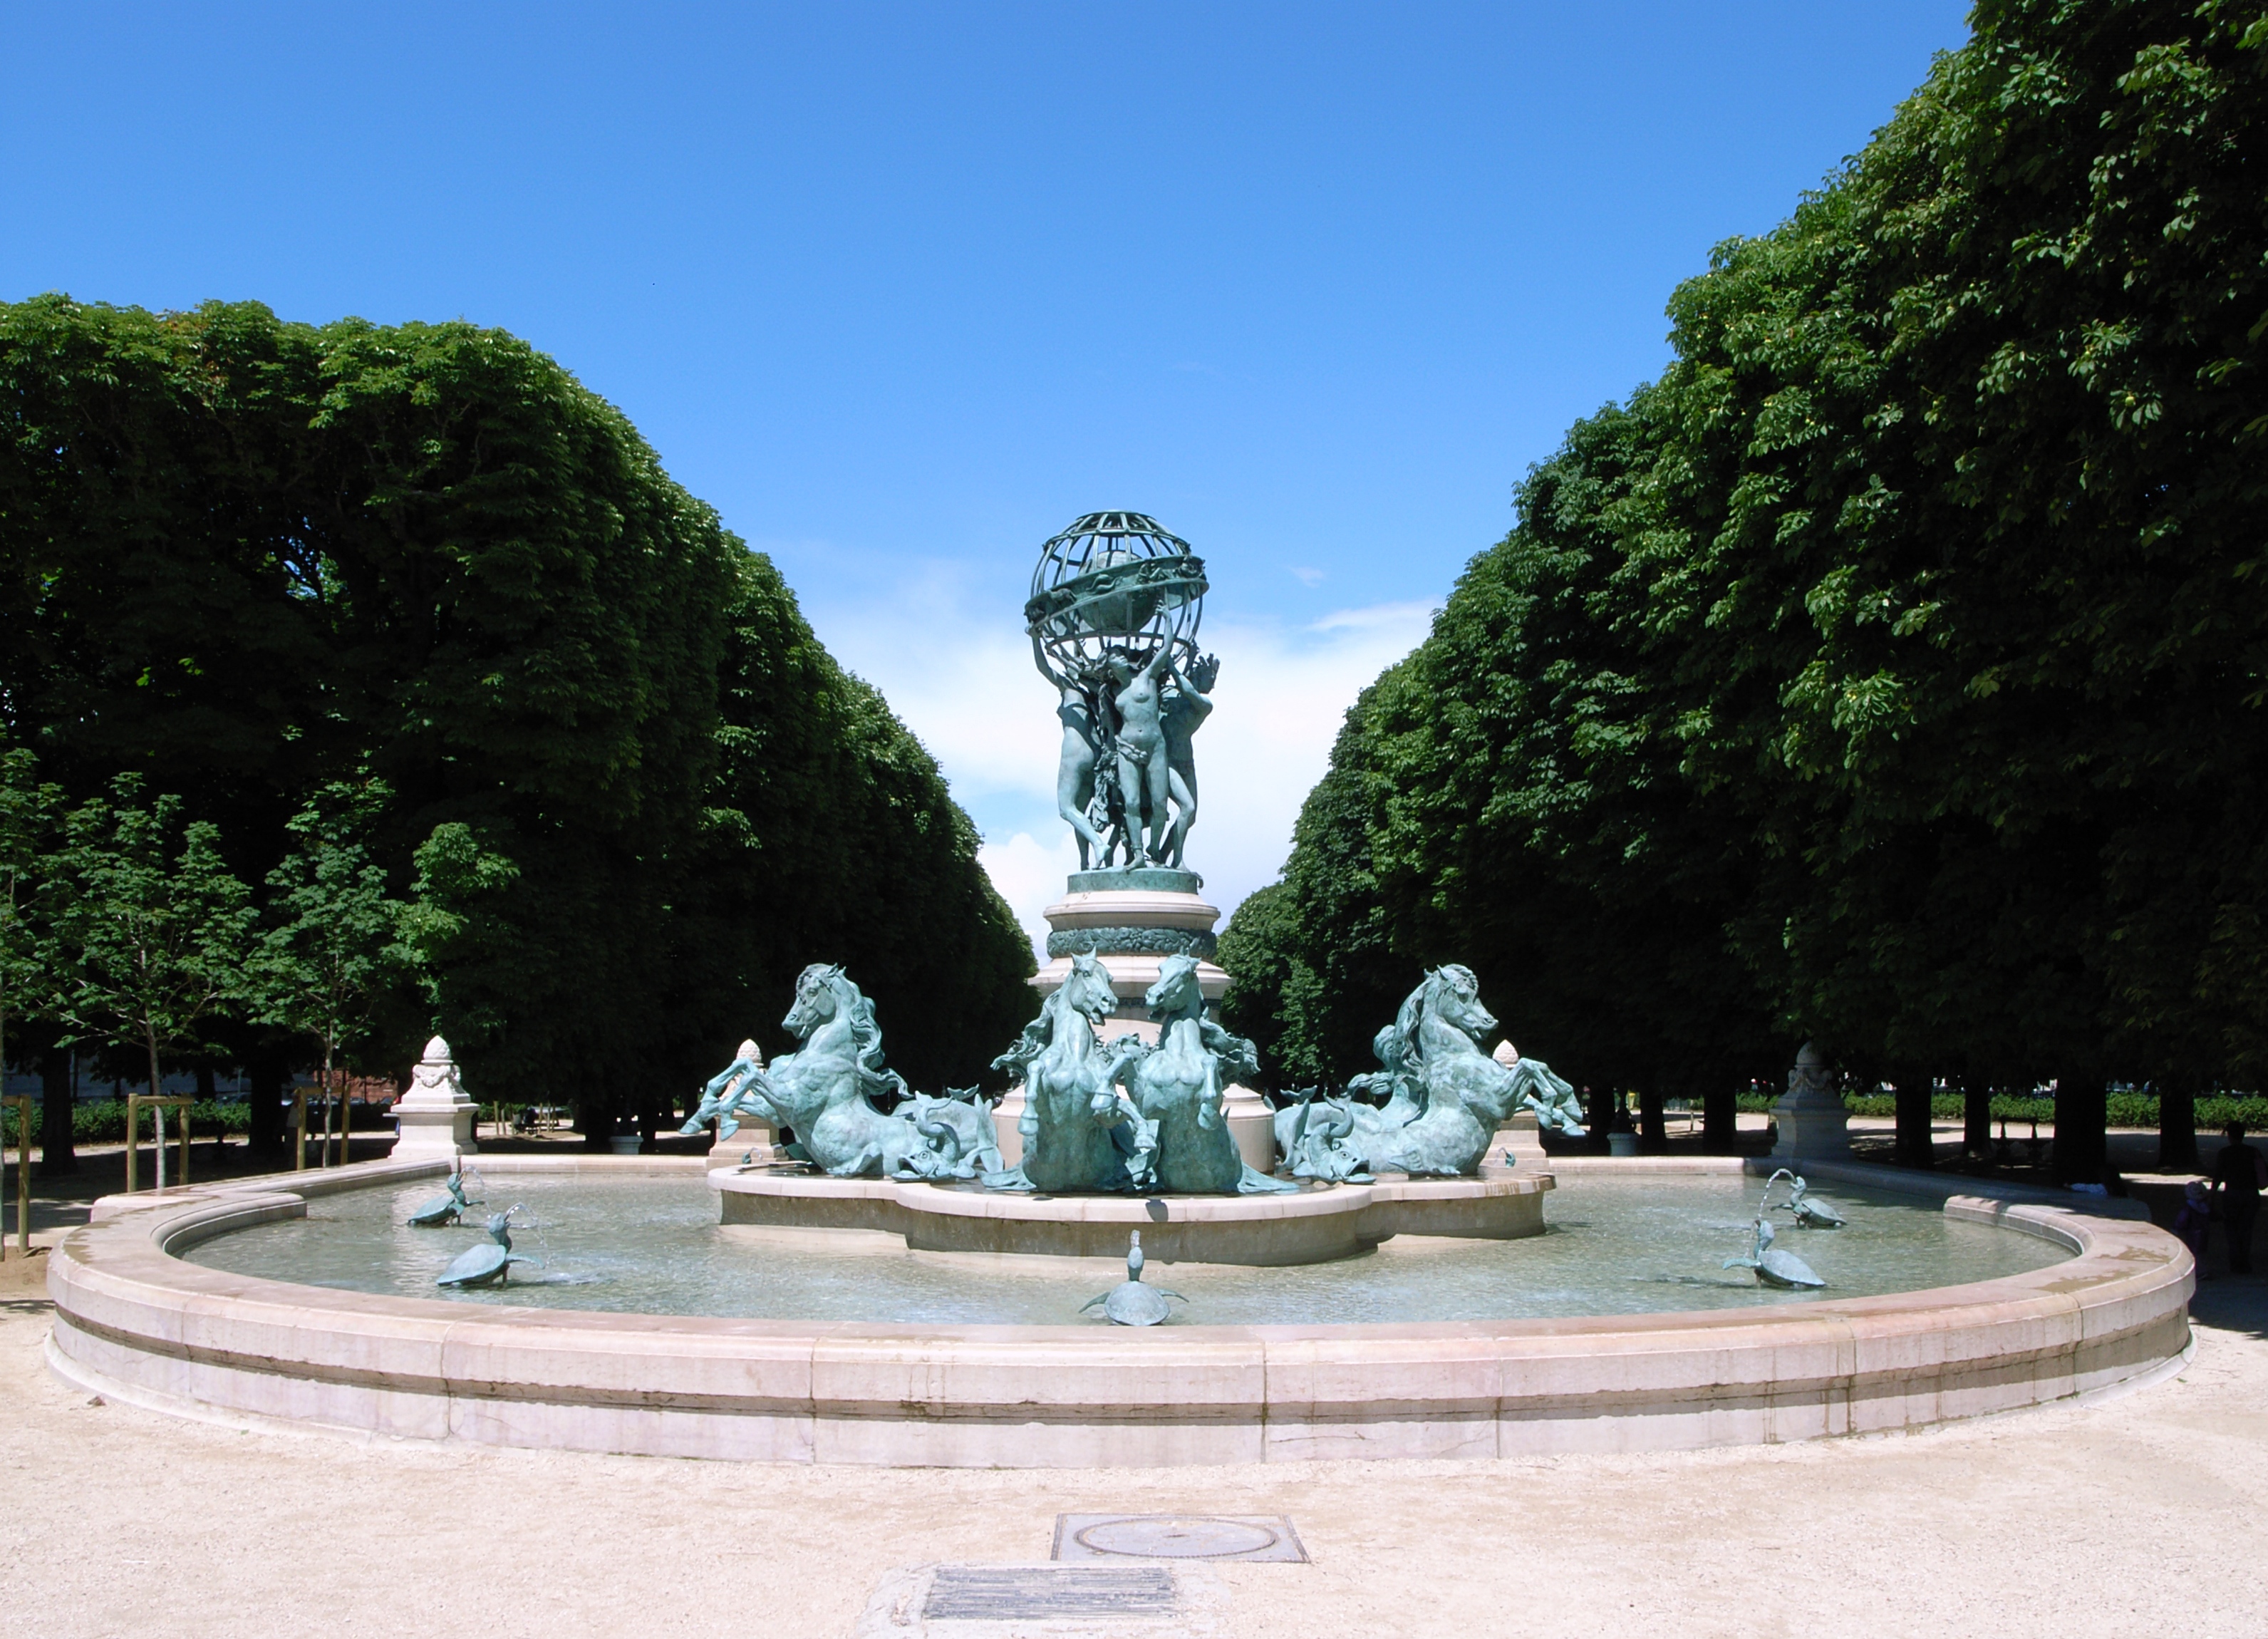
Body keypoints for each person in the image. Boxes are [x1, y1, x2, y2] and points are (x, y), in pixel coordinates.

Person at [2210, 1121, 2264, 1275]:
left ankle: (2235, 1263)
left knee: (2232, 1230)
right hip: (2251, 1194)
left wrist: (2211, 1195)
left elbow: (2218, 1176)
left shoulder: (2225, 1153)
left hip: (2232, 1195)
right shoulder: (2254, 1152)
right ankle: (2245, 1262)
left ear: (2229, 1136)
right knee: (2247, 1229)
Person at [2171, 1179, 2214, 1273]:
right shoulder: (2205, 1207)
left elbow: (2182, 1220)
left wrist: (2176, 1228)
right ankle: (2202, 1270)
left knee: (2194, 1253)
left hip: (2192, 1234)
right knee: (2201, 1253)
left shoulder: (2189, 1208)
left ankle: (2198, 1271)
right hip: (2204, 1232)